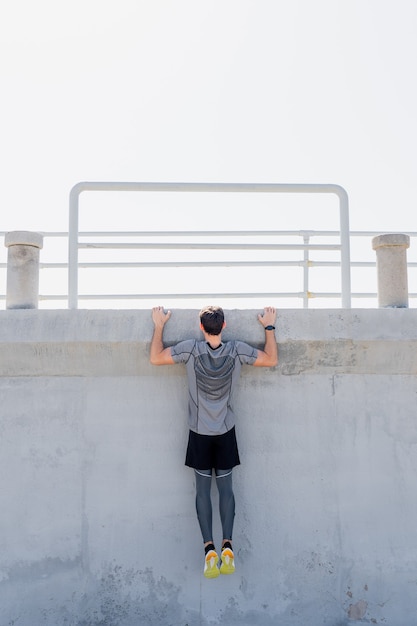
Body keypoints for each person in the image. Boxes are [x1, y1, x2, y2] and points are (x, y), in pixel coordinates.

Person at [150, 305, 278, 579]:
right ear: (224, 326)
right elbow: (270, 360)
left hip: (199, 434)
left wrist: (159, 325)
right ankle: (227, 545)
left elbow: (156, 358)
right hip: (226, 433)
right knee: (227, 491)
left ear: (201, 327)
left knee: (202, 492)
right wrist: (268, 326)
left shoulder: (190, 350)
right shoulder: (236, 351)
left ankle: (209, 550)